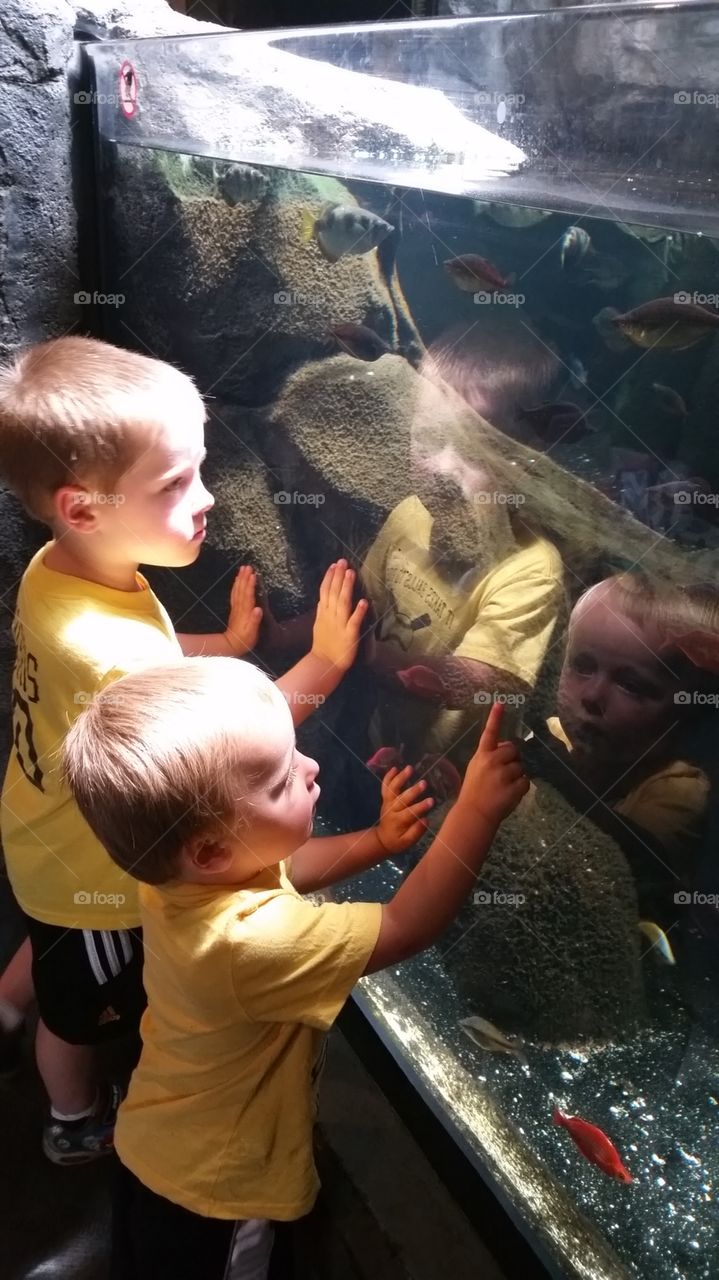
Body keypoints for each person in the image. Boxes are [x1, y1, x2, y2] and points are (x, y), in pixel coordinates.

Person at [0, 335, 366, 1161]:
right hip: (88, 873)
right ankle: (72, 1117)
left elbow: (151, 662)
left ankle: (11, 1000)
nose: (207, 499)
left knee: (58, 946)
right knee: (81, 1007)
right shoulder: (107, 653)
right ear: (82, 507)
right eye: (174, 484)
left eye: (199, 469)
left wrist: (226, 644)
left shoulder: (63, 572)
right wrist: (327, 664)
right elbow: (222, 745)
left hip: (44, 833)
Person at [61, 656, 528, 1280]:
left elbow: (288, 866)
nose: (310, 769)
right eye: (282, 781)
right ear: (210, 849)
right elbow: (405, 926)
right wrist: (475, 812)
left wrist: (380, 841)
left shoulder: (179, 878)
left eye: (297, 753)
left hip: (160, 1138)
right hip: (219, 1193)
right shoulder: (251, 943)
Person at [525, 574, 712, 918]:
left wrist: (555, 774)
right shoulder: (557, 737)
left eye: (630, 684)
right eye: (583, 665)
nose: (593, 697)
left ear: (692, 713)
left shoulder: (678, 787)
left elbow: (626, 866)